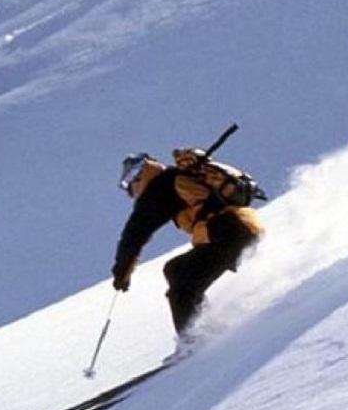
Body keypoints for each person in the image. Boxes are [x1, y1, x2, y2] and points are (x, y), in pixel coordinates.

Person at [110, 147, 264, 353]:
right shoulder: (178, 178)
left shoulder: (158, 188)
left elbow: (134, 234)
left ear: (139, 176)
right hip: (242, 226)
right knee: (176, 269)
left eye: (128, 184)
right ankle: (207, 330)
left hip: (227, 230)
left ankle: (194, 341)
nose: (131, 192)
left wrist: (122, 271)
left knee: (182, 282)